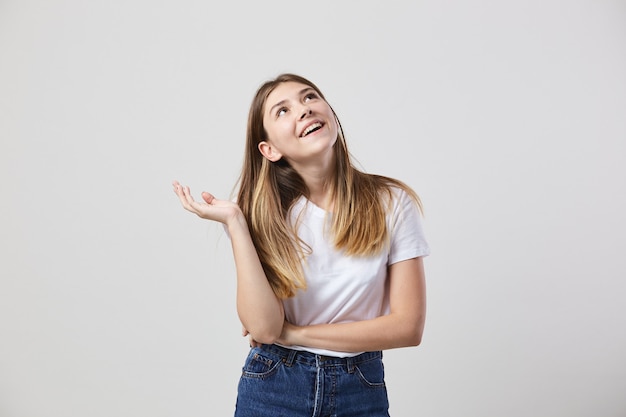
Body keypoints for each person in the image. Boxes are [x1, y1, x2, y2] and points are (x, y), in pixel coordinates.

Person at [172, 73, 429, 416]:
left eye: (310, 98)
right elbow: (264, 328)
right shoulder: (263, 216)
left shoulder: (392, 202)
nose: (304, 109)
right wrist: (236, 224)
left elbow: (407, 327)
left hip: (361, 389)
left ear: (330, 113)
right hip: (275, 385)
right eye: (283, 110)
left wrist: (294, 335)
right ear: (269, 149)